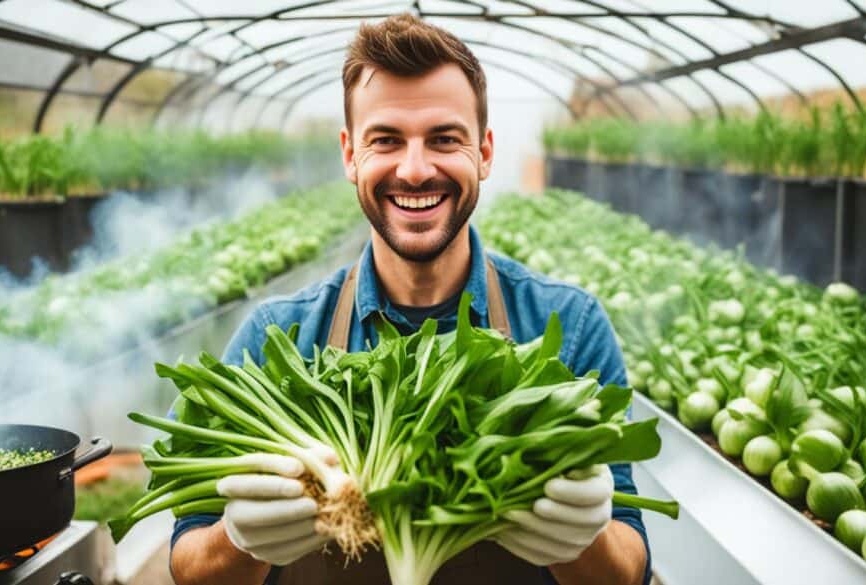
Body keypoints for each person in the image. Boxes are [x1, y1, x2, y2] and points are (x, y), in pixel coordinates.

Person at [168, 14, 649, 585]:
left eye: (444, 139)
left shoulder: (567, 325)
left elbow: (631, 565)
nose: (415, 170)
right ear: (350, 156)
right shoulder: (279, 337)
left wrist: (584, 538)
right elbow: (187, 561)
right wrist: (238, 541)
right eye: (386, 140)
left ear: (485, 152)